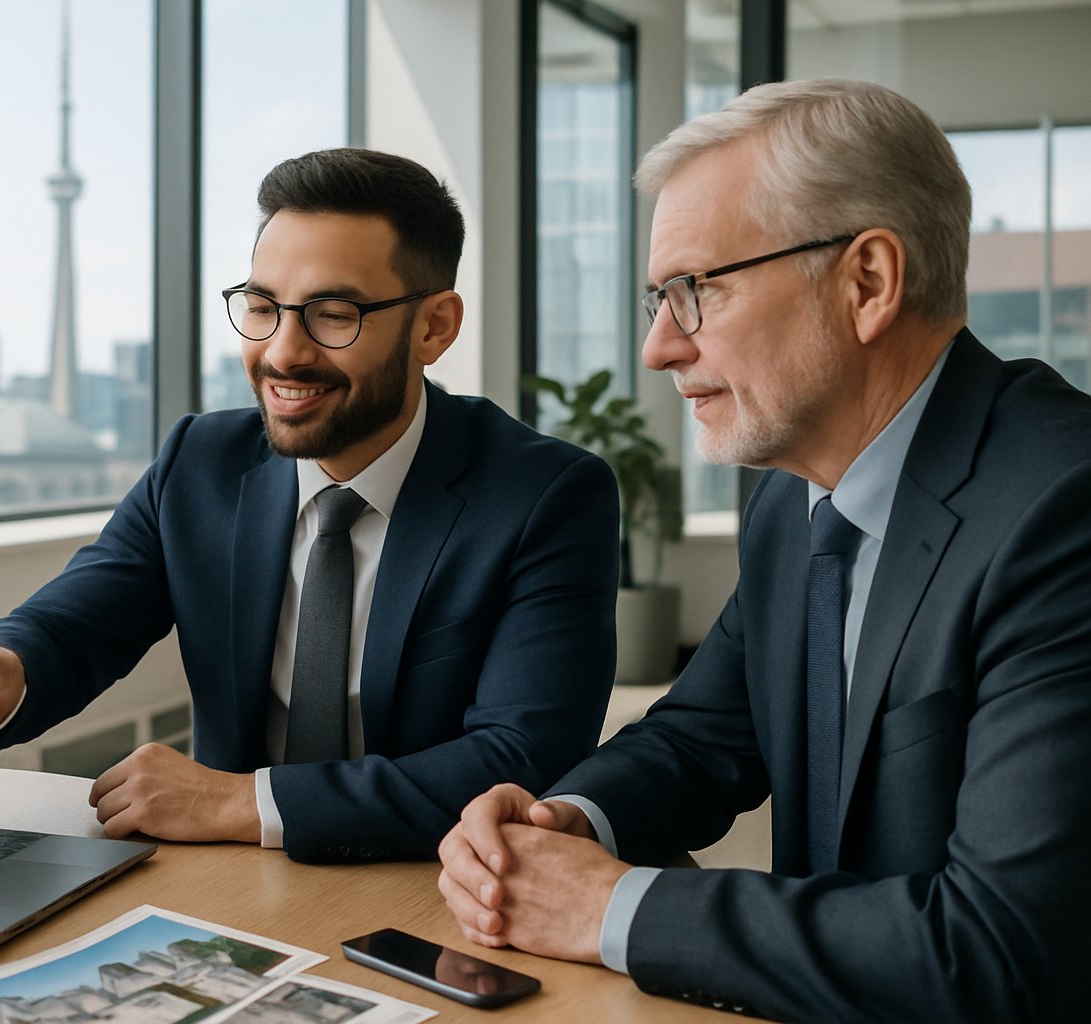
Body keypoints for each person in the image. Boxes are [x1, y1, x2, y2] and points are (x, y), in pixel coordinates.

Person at [437, 78, 1091, 1022]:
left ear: (867, 281)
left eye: (696, 290)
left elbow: (997, 949)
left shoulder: (1061, 509)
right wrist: (556, 827)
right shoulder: (795, 499)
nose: (659, 347)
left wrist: (609, 905)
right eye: (660, 298)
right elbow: (703, 738)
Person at [0, 148, 620, 863]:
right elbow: (83, 618)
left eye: (333, 313)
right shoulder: (201, 462)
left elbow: (523, 757)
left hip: (436, 885)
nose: (283, 352)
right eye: (262, 306)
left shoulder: (546, 496)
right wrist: (5, 663)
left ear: (433, 327)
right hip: (227, 891)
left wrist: (244, 802)